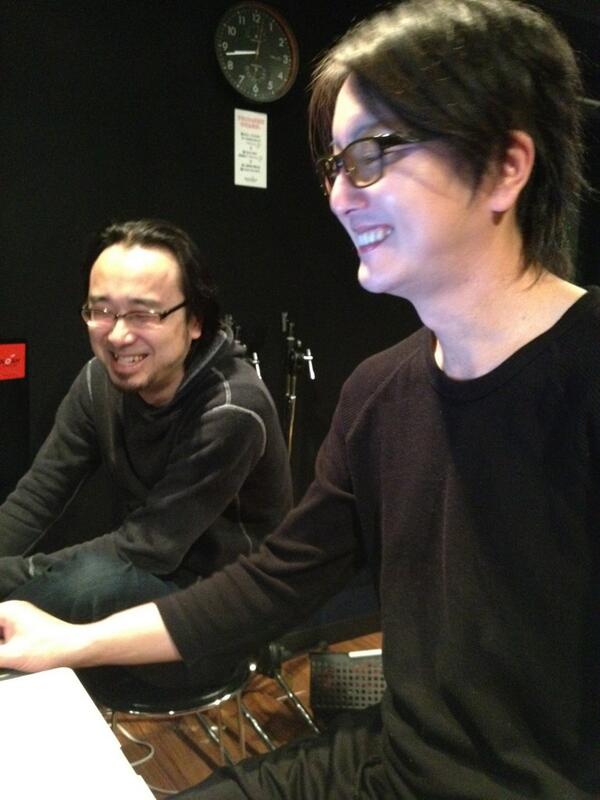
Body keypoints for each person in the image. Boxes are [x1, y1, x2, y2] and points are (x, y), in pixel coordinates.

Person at [0, 1, 598, 797]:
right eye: (335, 164)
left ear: (504, 167)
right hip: (394, 763)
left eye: (373, 154)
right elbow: (276, 582)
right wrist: (64, 644)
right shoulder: (380, 392)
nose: (341, 195)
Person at [0, 219, 292, 630]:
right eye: (101, 311)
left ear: (195, 320)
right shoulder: (97, 381)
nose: (118, 335)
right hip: (148, 572)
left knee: (86, 585)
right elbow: (38, 495)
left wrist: (15, 577)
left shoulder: (231, 408)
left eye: (143, 314)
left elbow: (148, 547)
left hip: (230, 599)